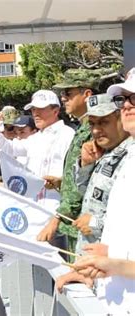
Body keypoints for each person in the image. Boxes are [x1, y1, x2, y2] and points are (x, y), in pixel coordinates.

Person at [72, 68, 135, 315]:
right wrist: (109, 255)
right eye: (124, 99)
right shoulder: (130, 156)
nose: (128, 106)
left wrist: (114, 264)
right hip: (114, 300)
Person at [55, 94, 131, 292]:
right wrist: (86, 166)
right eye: (92, 123)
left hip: (116, 273)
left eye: (104, 122)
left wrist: (96, 223)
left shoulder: (130, 156)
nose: (96, 130)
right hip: (94, 267)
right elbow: (84, 196)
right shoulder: (105, 152)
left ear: (121, 117)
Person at [37, 69, 112, 251]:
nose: (63, 98)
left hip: (85, 224)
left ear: (87, 94)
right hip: (76, 224)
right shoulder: (83, 128)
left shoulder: (94, 132)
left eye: (68, 93)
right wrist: (62, 182)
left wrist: (57, 218)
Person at [0, 89, 75, 211]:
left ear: (56, 110)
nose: (35, 114)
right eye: (33, 109)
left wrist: (59, 180)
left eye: (41, 109)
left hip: (56, 208)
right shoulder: (36, 138)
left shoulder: (68, 135)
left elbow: (75, 174)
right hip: (33, 207)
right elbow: (9, 149)